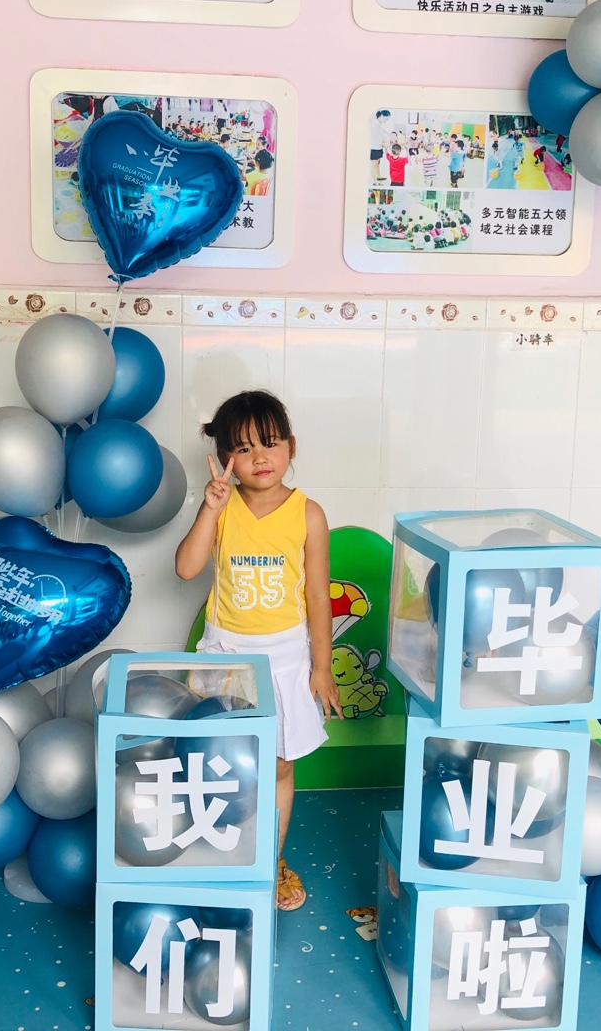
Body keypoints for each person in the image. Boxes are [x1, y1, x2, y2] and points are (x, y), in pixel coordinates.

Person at [175, 391, 341, 913]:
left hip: (286, 661)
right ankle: (215, 851)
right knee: (217, 763)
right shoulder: (222, 508)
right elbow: (185, 568)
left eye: (269, 443)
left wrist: (321, 667)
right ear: (225, 458)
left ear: (291, 445)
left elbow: (318, 597)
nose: (260, 457)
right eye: (243, 449)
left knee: (278, 768)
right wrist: (210, 508)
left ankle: (269, 859)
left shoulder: (308, 513)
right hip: (225, 656)